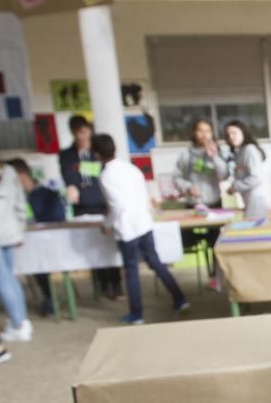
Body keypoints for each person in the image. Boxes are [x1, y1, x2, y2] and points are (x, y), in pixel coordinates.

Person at [92, 134, 189, 325]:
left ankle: (136, 314)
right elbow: (143, 194)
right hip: (144, 223)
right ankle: (180, 299)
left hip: (127, 229)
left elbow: (117, 207)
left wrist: (106, 224)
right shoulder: (131, 168)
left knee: (131, 270)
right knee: (156, 262)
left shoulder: (106, 176)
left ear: (96, 154)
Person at [59, 115, 122, 300]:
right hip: (82, 206)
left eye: (84, 131)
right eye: (77, 132)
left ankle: (116, 284)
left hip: (102, 203)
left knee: (108, 246)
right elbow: (68, 175)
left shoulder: (97, 151)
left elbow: (107, 172)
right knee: (92, 246)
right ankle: (102, 284)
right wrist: (72, 186)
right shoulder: (67, 154)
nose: (81, 136)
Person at [173, 119, 230, 284]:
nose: (204, 134)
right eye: (200, 130)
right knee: (188, 239)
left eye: (207, 131)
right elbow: (176, 177)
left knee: (216, 242)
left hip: (214, 203)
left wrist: (214, 157)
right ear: (194, 132)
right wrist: (187, 187)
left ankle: (216, 277)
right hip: (193, 205)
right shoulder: (185, 154)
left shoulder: (218, 151)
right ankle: (206, 272)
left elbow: (224, 175)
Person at [0, 133, 31, 342]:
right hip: (10, 232)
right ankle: (21, 321)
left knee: (2, 280)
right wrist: (20, 229)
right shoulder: (8, 171)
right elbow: (20, 203)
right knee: (11, 278)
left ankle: (17, 324)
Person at [8, 158, 65, 316]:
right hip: (18, 242)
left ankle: (49, 298)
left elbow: (58, 217)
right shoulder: (12, 197)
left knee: (38, 262)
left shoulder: (48, 193)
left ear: (21, 175)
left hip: (46, 245)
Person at [224, 121, 270, 220]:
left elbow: (256, 178)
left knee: (254, 227)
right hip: (248, 199)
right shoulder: (240, 152)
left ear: (243, 132)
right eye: (228, 134)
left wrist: (234, 187)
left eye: (234, 133)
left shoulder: (249, 149)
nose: (231, 137)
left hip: (256, 200)